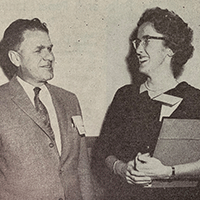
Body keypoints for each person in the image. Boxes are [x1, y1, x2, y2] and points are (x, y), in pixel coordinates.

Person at [91, 7, 200, 200]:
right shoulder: (125, 95)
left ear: (170, 48)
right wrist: (122, 168)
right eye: (137, 42)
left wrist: (169, 172)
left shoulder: (195, 99)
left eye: (147, 40)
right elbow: (102, 152)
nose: (138, 49)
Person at [0, 18, 94, 200]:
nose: (50, 57)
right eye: (38, 50)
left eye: (49, 49)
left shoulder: (69, 100)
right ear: (15, 58)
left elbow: (82, 166)